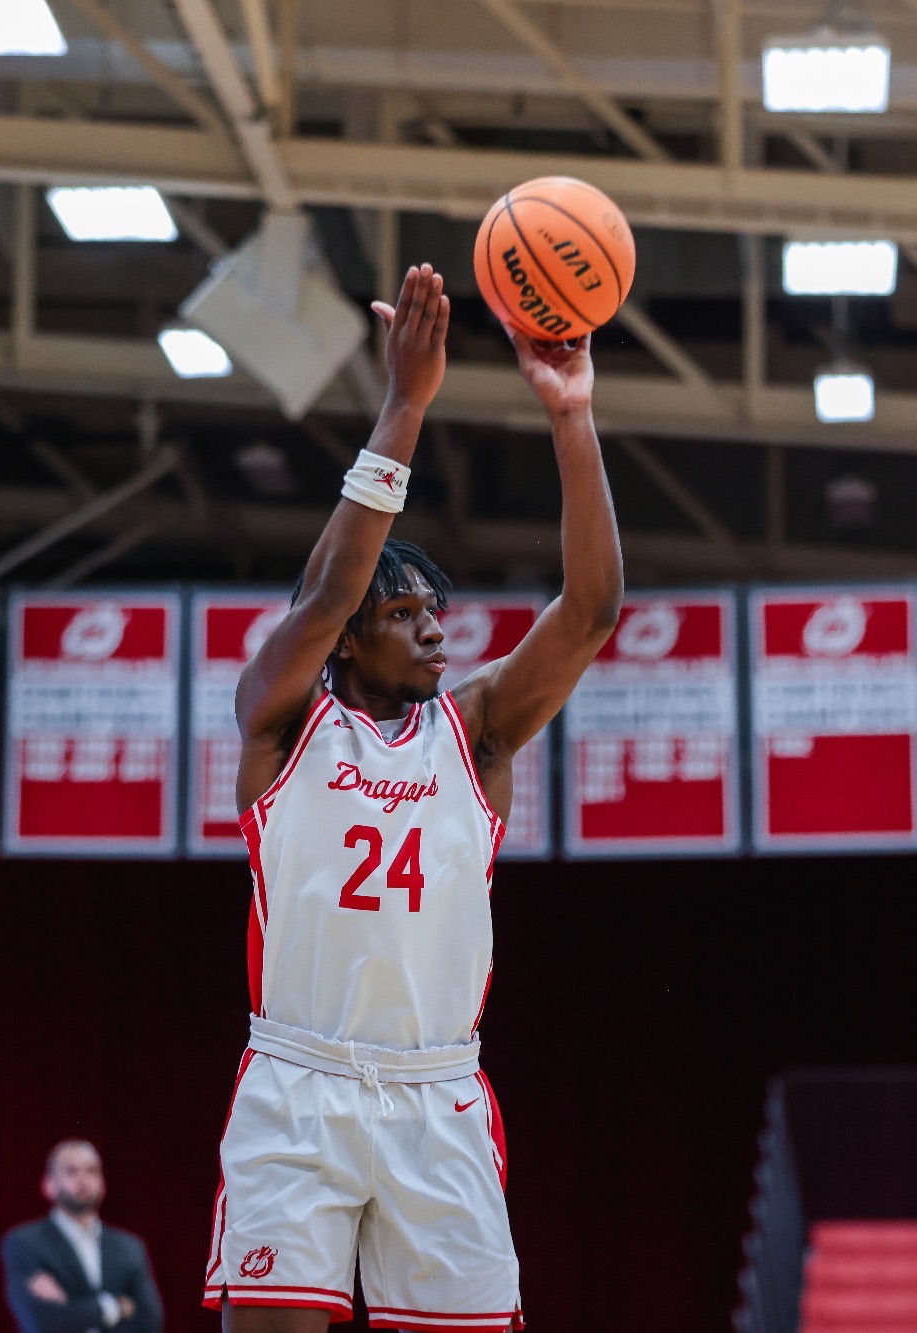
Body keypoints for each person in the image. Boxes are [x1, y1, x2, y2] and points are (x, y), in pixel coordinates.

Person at [203, 262, 623, 1333]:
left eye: (438, 608)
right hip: (298, 1086)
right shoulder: (281, 723)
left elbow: (589, 609)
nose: (435, 625)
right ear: (348, 639)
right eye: (405, 610)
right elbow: (327, 588)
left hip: (437, 1095)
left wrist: (572, 418)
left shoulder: (474, 732)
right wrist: (404, 405)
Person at [1, 1140, 163, 1333]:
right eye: (71, 1171)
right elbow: (41, 1321)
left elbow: (150, 1321)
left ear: (103, 1183)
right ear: (48, 1184)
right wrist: (117, 1306)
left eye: (91, 1171)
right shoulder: (25, 1243)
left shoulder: (129, 1247)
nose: (82, 1180)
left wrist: (69, 1305)